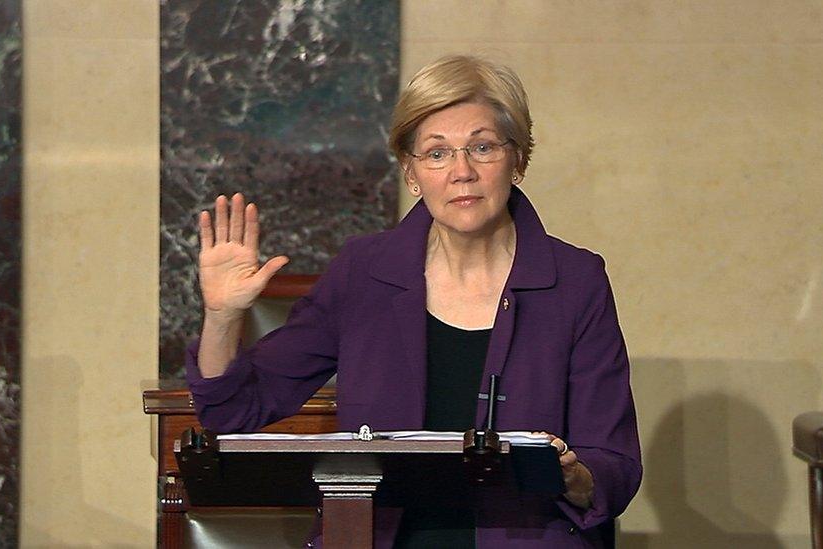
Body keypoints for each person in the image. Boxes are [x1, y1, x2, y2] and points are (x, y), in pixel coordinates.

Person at [186, 54, 641, 548]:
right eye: (438, 153)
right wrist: (223, 315)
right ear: (411, 172)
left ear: (518, 160)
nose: (461, 172)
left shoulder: (575, 280)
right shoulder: (364, 272)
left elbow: (613, 466)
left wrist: (569, 474)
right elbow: (232, 411)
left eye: (482, 147)